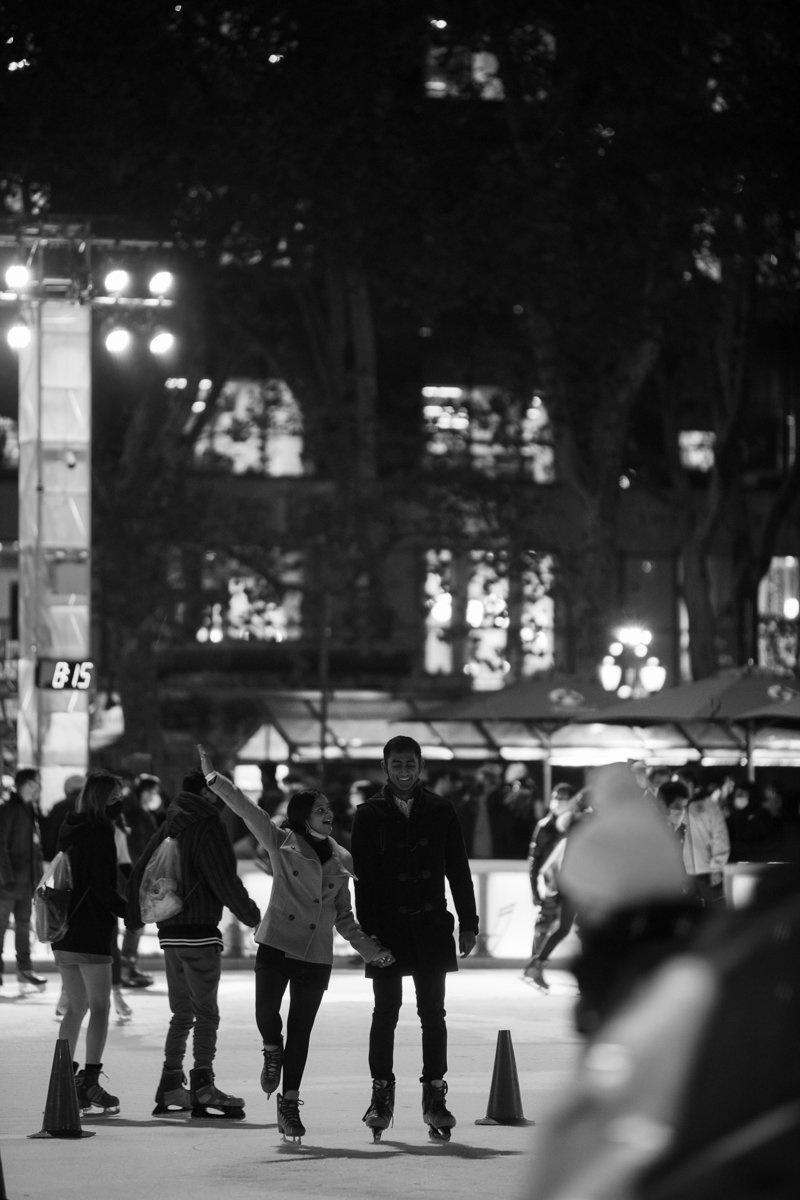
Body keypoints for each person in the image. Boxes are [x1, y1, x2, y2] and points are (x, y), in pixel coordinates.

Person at [198, 745, 395, 1143]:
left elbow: (344, 917)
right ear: (304, 814)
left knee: (301, 1032)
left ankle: (289, 1103)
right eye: (320, 807)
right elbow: (246, 810)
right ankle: (272, 1049)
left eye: (328, 807)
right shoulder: (281, 841)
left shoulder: (342, 860)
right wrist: (215, 780)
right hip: (276, 943)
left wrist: (371, 950)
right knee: (268, 1015)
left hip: (315, 955)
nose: (328, 812)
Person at [350, 735, 479, 1142]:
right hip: (386, 929)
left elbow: (458, 869)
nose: (404, 771)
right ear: (385, 767)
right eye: (396, 764)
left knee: (433, 1015)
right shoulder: (368, 814)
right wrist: (368, 936)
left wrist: (469, 922)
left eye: (410, 764)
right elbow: (363, 882)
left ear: (420, 766)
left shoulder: (441, 810)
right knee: (385, 1012)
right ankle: (381, 1097)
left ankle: (434, 1096)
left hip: (430, 927)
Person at [126, 767, 262, 1120]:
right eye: (222, 793)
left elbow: (141, 868)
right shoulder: (206, 823)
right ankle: (203, 1085)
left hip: (170, 933)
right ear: (208, 794)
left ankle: (171, 1083)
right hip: (199, 929)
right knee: (205, 1014)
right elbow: (222, 877)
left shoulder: (169, 822)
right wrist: (253, 917)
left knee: (182, 1013)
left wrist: (135, 916)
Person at [52, 770, 128, 1113]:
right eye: (114, 797)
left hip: (62, 929)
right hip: (91, 931)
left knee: (75, 1007)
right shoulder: (100, 831)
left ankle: (64, 1081)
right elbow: (101, 889)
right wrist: (132, 913)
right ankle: (90, 1083)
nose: (120, 803)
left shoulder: (69, 826)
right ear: (101, 799)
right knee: (99, 1008)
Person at [522, 782, 578, 990]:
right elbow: (534, 860)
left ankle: (536, 965)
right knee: (545, 926)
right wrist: (534, 889)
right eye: (557, 797)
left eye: (564, 797)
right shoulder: (546, 825)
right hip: (554, 884)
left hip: (573, 883)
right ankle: (535, 965)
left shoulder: (576, 823)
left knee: (570, 927)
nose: (559, 801)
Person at [0, 766, 47, 994]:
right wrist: (5, 879)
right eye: (35, 782)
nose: (38, 786)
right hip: (8, 884)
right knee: (1, 927)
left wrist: (38, 880)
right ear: (26, 784)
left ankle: (25, 969)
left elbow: (35, 848)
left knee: (23, 927)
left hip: (26, 882)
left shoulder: (30, 809)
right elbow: (0, 846)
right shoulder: (9, 809)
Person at [119, 772, 165, 987]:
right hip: (135, 877)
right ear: (145, 792)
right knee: (135, 923)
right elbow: (140, 849)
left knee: (135, 923)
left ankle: (126, 967)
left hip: (132, 876)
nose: (155, 797)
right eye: (153, 792)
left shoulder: (136, 813)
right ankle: (126, 968)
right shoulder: (136, 815)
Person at [660, 778, 730, 906]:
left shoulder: (684, 829)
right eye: (677, 806)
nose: (681, 811)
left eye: (684, 806)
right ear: (663, 806)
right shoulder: (655, 834)